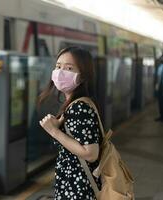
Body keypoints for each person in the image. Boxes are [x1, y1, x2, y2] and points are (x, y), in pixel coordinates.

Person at [38, 46, 102, 200]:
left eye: (69, 68)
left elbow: (91, 153)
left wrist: (54, 131)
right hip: (75, 186)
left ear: (82, 76)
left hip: (78, 189)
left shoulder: (80, 107)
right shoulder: (75, 104)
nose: (60, 72)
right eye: (58, 66)